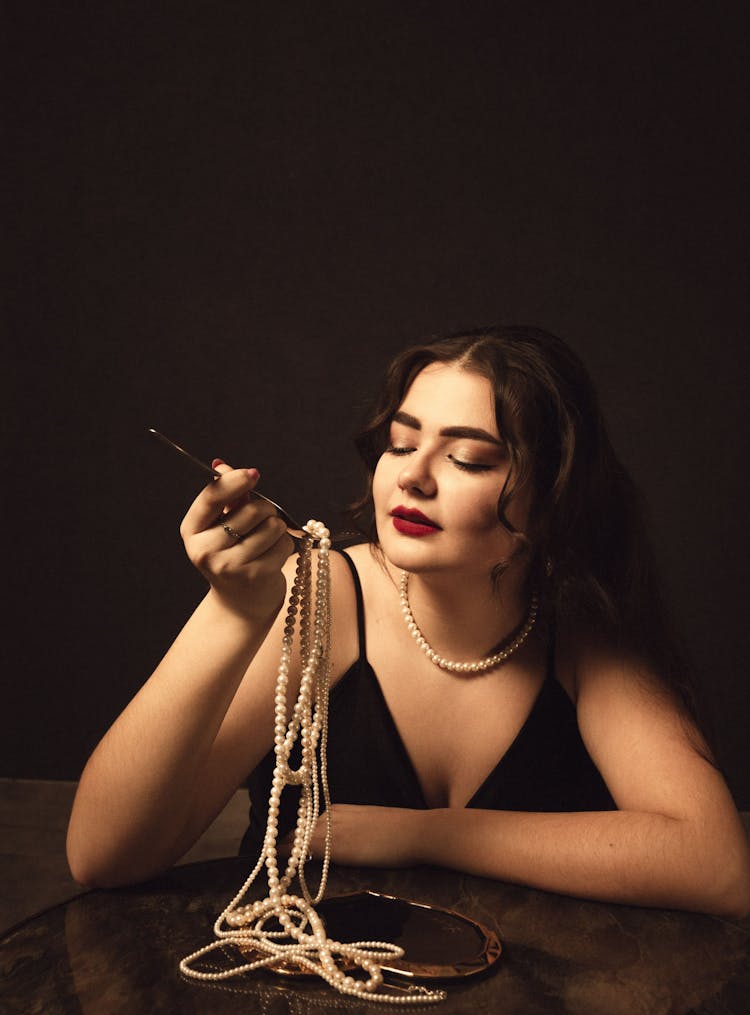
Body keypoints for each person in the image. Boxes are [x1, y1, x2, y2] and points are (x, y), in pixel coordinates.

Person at [67, 326, 750, 917]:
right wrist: (231, 612)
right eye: (399, 444)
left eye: (468, 458)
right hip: (301, 1014)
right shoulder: (317, 596)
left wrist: (425, 835)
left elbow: (717, 867)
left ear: (553, 499)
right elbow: (103, 857)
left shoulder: (578, 628)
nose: (413, 478)